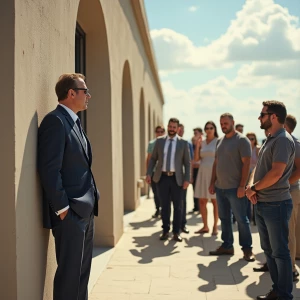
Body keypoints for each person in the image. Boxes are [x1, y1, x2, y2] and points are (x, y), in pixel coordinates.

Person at [38, 73, 100, 300]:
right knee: (69, 276)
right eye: (85, 91)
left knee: (82, 274)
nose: (89, 96)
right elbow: (49, 169)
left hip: (85, 211)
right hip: (71, 214)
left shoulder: (74, 122)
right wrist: (63, 209)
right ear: (71, 93)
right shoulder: (55, 121)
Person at [245, 101, 295, 300]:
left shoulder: (283, 140)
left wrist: (254, 188)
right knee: (269, 250)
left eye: (262, 114)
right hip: (263, 202)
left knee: (280, 252)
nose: (259, 117)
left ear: (273, 117)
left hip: (277, 204)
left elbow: (276, 173)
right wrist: (251, 188)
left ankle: (284, 295)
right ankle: (277, 290)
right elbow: (258, 169)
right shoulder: (270, 139)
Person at [208, 113, 254, 262]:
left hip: (235, 188)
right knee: (224, 218)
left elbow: (247, 163)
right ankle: (227, 245)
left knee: (241, 219)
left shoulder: (242, 140)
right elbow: (216, 162)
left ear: (233, 122)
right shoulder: (219, 141)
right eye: (221, 123)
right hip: (220, 187)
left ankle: (247, 249)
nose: (223, 126)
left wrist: (242, 186)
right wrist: (212, 182)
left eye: (226, 123)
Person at [146, 118, 191, 242]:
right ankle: (165, 230)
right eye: (170, 126)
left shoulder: (183, 143)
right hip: (162, 178)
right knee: (164, 206)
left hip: (177, 179)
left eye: (174, 127)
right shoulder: (160, 142)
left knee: (178, 206)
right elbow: (153, 159)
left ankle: (176, 232)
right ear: (168, 127)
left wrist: (187, 179)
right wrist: (149, 173)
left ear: (178, 129)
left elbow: (187, 163)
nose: (172, 129)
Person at [194, 121, 219, 235]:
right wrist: (198, 145)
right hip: (202, 172)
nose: (209, 130)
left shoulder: (218, 141)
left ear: (214, 129)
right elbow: (196, 159)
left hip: (214, 173)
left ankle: (215, 227)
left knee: (215, 201)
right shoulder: (202, 142)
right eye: (207, 128)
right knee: (202, 200)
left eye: (211, 128)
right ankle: (205, 226)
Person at [146, 125, 166, 218]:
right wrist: (148, 173)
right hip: (154, 171)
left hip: (163, 172)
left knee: (163, 192)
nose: (160, 133)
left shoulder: (167, 143)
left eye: (162, 131)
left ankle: (164, 210)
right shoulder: (152, 143)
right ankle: (158, 209)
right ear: (155, 132)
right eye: (158, 131)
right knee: (155, 192)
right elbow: (149, 159)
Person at [177, 123, 193, 234]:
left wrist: (188, 177)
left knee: (182, 201)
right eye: (179, 129)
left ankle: (183, 224)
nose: (181, 131)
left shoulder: (187, 144)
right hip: (171, 178)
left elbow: (189, 162)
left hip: (182, 178)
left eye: (183, 129)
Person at [246, 132, 260, 223]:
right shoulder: (244, 149)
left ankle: (255, 218)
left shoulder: (258, 149)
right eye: (249, 138)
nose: (251, 140)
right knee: (246, 195)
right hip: (246, 174)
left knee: (255, 195)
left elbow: (260, 163)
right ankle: (249, 217)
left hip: (254, 174)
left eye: (252, 138)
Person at [189, 127, 203, 213]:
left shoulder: (204, 144)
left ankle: (201, 207)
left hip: (201, 169)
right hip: (194, 169)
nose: (195, 135)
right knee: (195, 189)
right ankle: (196, 207)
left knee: (201, 189)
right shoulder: (191, 144)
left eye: (196, 133)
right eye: (194, 133)